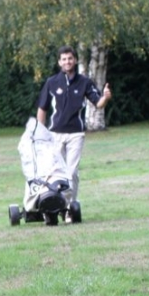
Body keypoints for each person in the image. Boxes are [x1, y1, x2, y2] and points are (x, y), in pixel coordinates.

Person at [36, 45, 111, 223]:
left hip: (76, 134)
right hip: (55, 134)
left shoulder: (84, 82)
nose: (67, 62)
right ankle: (51, 208)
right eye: (64, 59)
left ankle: (69, 209)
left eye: (70, 58)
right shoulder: (52, 82)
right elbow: (42, 108)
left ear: (75, 60)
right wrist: (40, 132)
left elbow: (98, 103)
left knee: (72, 172)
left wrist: (106, 97)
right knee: (53, 173)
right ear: (59, 62)